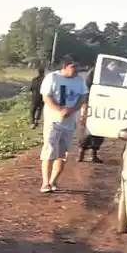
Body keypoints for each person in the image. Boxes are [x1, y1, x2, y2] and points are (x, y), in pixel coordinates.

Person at [40, 56, 88, 193]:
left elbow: (82, 97)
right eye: (74, 67)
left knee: (63, 152)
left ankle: (53, 181)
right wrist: (59, 110)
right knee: (49, 149)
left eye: (78, 67)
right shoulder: (52, 78)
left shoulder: (79, 80)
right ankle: (45, 182)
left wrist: (72, 110)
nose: (77, 70)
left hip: (70, 121)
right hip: (53, 120)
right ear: (65, 67)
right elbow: (46, 97)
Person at [27, 61, 49, 128]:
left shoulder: (34, 79)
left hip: (35, 97)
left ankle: (32, 122)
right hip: (43, 97)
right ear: (43, 72)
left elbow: (31, 88)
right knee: (39, 109)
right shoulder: (46, 79)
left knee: (32, 110)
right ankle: (37, 120)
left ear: (38, 72)